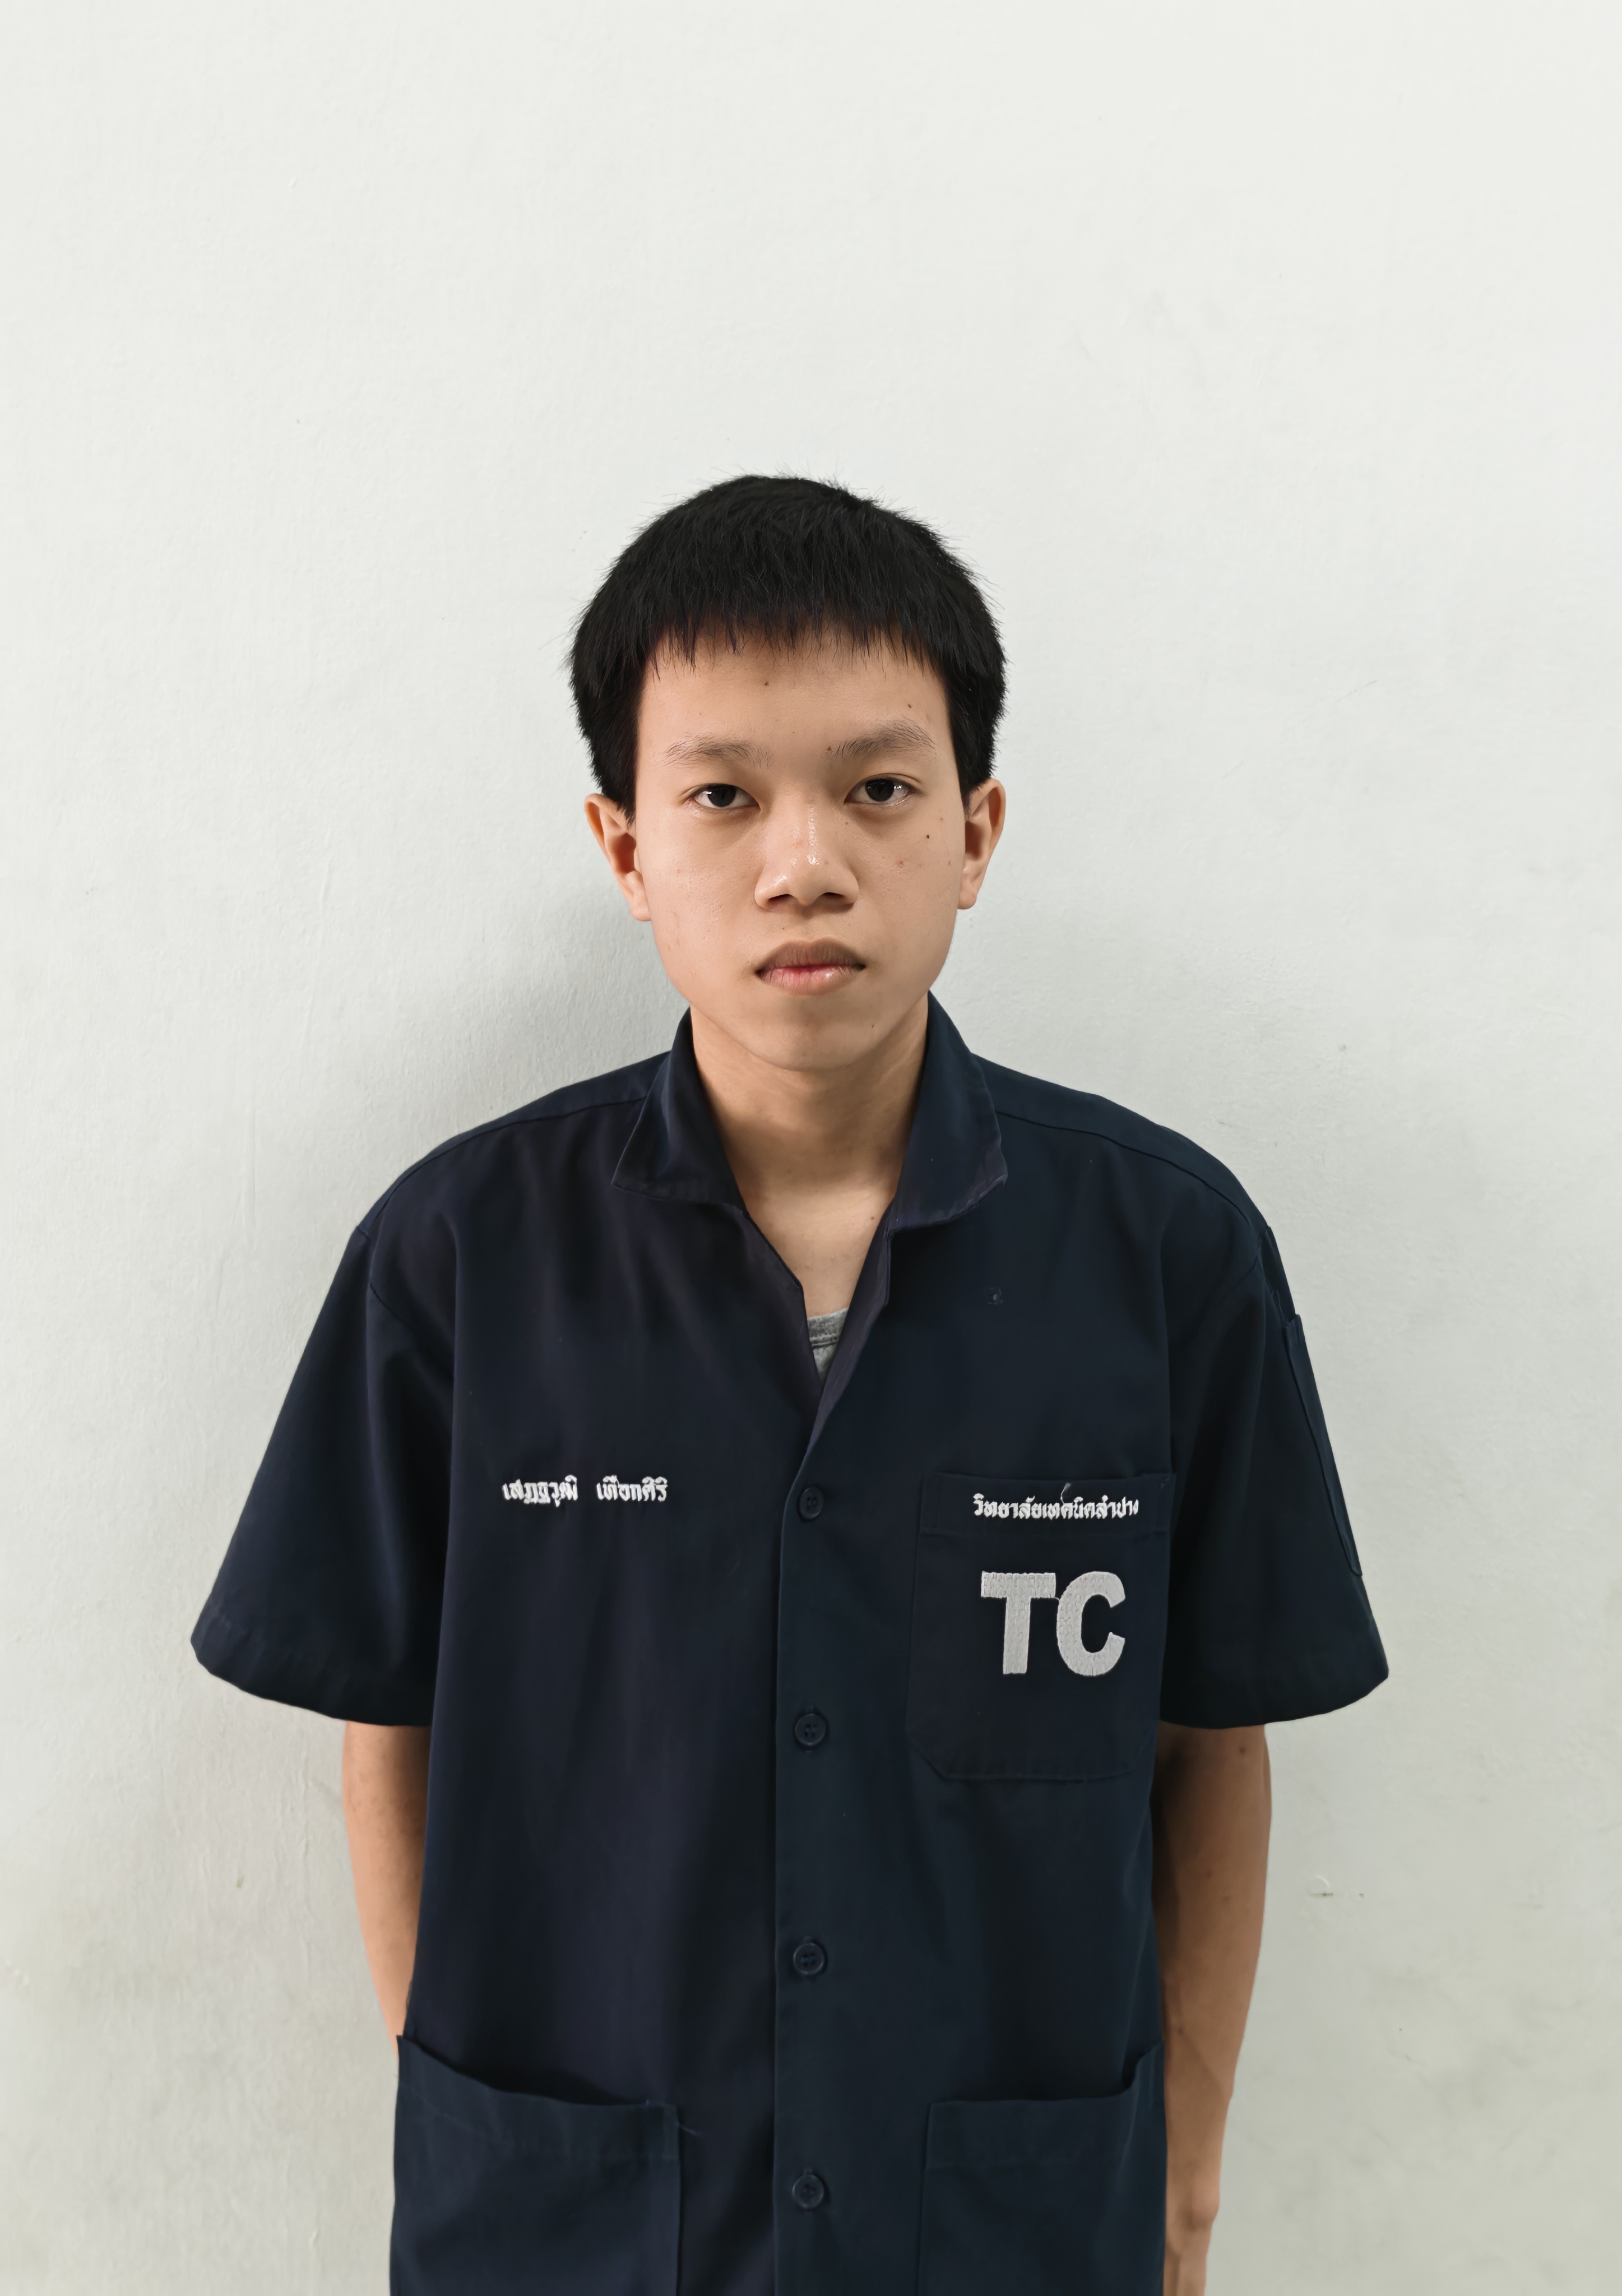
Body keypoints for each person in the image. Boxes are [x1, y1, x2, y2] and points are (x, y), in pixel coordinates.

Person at [192, 475, 1387, 2296]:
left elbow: (1212, 1742)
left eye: (879, 789)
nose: (804, 862)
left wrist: (1188, 2187)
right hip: (574, 2235)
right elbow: (393, 1729)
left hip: (1006, 2235)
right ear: (623, 848)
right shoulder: (463, 1259)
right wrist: (476, 2122)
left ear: (977, 830)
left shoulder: (1165, 1255)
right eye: (724, 796)